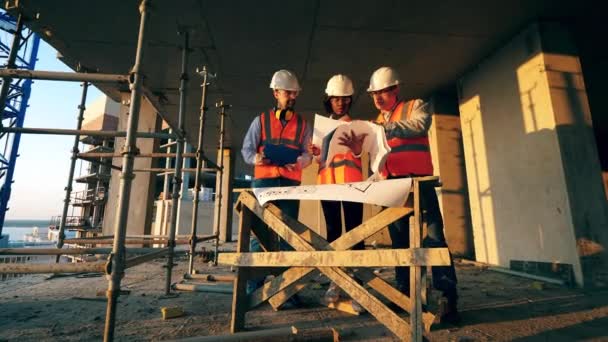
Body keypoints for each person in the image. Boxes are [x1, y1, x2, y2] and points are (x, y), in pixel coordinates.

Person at [339, 66, 460, 323]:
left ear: (396, 89)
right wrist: (359, 148)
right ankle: (404, 294)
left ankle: (446, 298)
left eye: (383, 92)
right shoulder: (376, 122)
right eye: (375, 94)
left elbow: (419, 125)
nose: (378, 98)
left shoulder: (416, 106)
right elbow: (372, 154)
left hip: (419, 183)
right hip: (391, 188)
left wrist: (384, 129)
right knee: (399, 242)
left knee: (434, 239)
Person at [241, 69, 312, 308]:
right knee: (259, 236)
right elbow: (247, 151)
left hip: (290, 184)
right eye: (287, 92)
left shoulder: (303, 124)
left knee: (289, 236)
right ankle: (255, 288)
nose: (291, 96)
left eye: (294, 93)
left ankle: (286, 289)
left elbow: (308, 153)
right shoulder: (260, 121)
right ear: (275, 93)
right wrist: (257, 159)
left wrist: (300, 161)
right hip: (264, 183)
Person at [308, 74, 365, 313]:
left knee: (355, 234)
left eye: (344, 99)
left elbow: (362, 154)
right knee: (333, 233)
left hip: (351, 185)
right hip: (328, 185)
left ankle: (357, 288)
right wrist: (315, 152)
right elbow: (319, 158)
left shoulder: (357, 125)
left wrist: (357, 149)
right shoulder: (321, 128)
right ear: (329, 100)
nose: (340, 103)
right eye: (336, 99)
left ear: (349, 100)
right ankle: (335, 281)